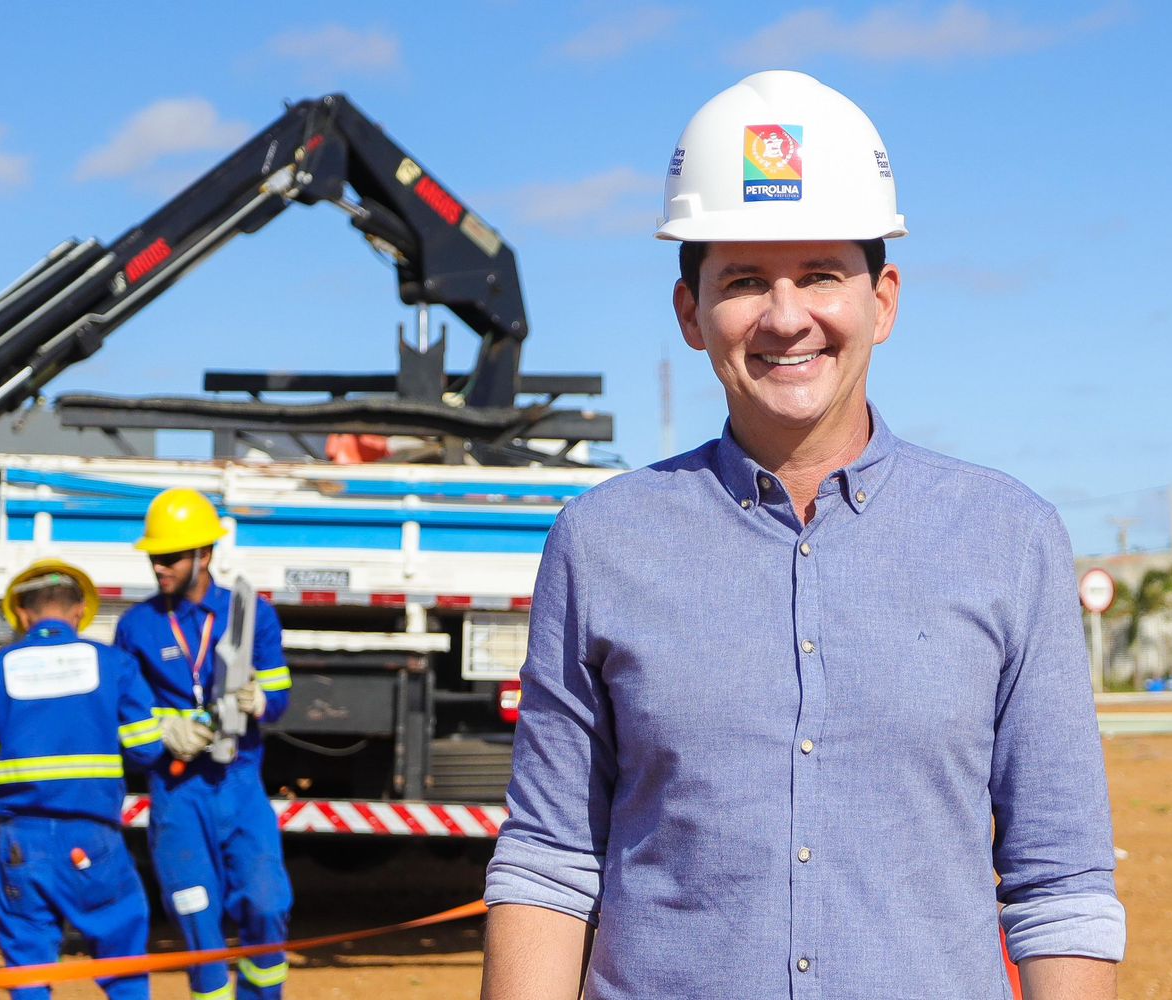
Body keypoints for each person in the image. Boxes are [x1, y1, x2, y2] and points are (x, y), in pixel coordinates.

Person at [482, 70, 1125, 999]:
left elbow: (1059, 880)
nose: (786, 318)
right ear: (690, 313)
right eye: (745, 280)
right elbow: (550, 861)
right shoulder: (600, 543)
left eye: (821, 273)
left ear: (883, 300)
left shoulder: (1008, 539)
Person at [113, 488, 294, 1000]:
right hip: (178, 792)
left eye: (170, 556)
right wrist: (166, 732)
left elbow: (280, 695)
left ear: (204, 555)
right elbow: (129, 719)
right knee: (195, 914)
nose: (159, 567)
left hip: (239, 783)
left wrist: (259, 699)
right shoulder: (136, 627)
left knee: (267, 906)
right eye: (154, 556)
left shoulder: (250, 613)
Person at [0, 559, 162, 1000]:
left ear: (22, 613)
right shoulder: (114, 664)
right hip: (93, 837)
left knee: (29, 965)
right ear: (80, 610)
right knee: (122, 956)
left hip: (21, 841)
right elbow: (147, 749)